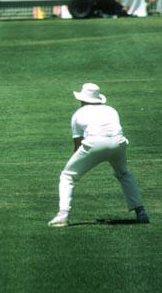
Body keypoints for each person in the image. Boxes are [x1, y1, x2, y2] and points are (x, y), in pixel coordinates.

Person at [48, 83, 149, 227]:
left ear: (82, 99)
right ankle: (141, 212)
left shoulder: (78, 114)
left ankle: (62, 215)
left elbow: (78, 145)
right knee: (124, 174)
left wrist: (76, 162)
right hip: (118, 143)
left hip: (94, 144)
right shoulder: (111, 110)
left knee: (67, 175)